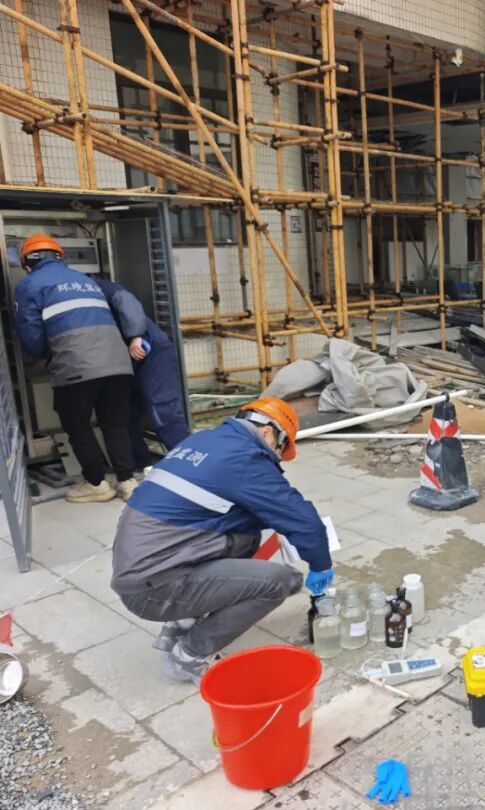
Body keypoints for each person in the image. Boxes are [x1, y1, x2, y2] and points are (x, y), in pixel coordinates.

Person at [110, 397, 335, 683]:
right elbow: (302, 520)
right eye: (280, 448)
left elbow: (242, 511)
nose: (277, 457)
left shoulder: (205, 441)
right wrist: (321, 565)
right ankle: (189, 657)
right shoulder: (244, 458)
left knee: (247, 537)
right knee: (275, 583)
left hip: (146, 567)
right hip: (153, 587)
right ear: (268, 432)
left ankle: (183, 621)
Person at [13, 233, 138, 503]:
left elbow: (30, 335)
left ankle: (96, 483)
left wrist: (39, 355)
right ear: (60, 257)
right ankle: (127, 481)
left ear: (27, 264)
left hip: (75, 366)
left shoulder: (29, 285)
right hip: (118, 363)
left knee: (77, 426)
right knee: (115, 425)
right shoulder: (86, 280)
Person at [97, 279, 191, 467]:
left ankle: (190, 461)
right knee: (124, 412)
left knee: (163, 409)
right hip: (123, 359)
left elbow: (127, 301)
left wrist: (135, 335)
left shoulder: (99, 287)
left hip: (149, 350)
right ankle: (140, 463)